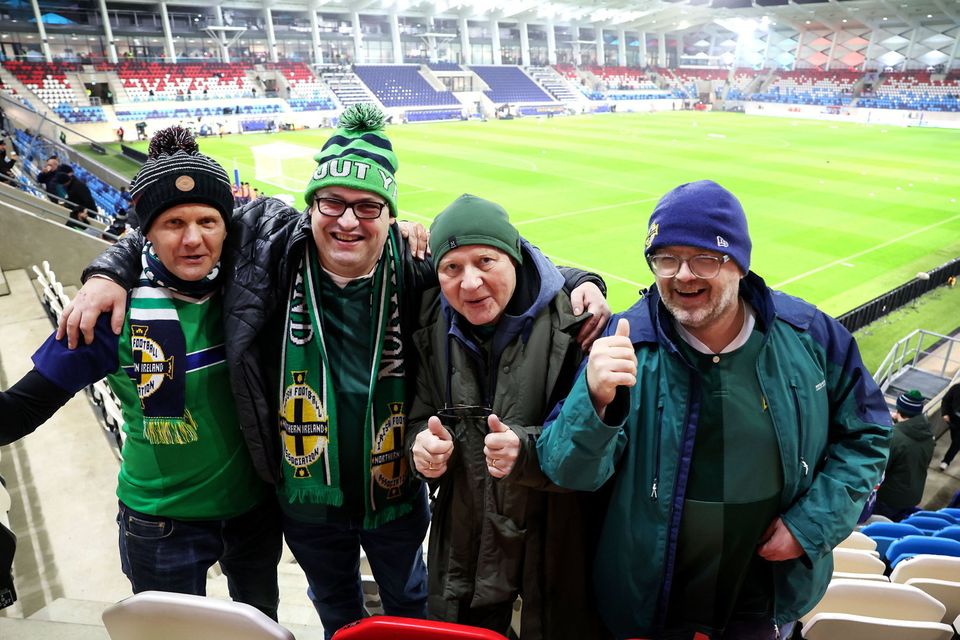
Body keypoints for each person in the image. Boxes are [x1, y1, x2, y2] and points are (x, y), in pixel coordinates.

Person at [58, 104, 611, 638]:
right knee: (336, 613)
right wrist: (108, 270)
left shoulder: (417, 266)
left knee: (412, 605)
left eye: (368, 206)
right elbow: (175, 220)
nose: (348, 220)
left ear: (390, 214)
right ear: (311, 206)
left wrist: (581, 278)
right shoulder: (269, 250)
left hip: (394, 493)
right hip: (305, 500)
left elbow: (492, 254)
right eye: (332, 203)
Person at [537, 180, 891, 640]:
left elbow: (868, 435)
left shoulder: (810, 335)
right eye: (667, 258)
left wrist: (809, 526)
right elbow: (567, 471)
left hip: (763, 595)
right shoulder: (625, 345)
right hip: (649, 598)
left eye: (706, 257)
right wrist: (594, 400)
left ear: (740, 264)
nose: (683, 274)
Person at [0, 126, 282, 619]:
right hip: (160, 527)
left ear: (227, 226)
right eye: (173, 222)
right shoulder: (108, 313)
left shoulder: (249, 290)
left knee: (261, 630)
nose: (193, 239)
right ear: (145, 232)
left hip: (253, 515)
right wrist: (109, 273)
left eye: (207, 221)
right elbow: (17, 411)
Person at [406, 195, 606, 639]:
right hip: (462, 551)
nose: (470, 283)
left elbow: (598, 450)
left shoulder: (576, 322)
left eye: (485, 260)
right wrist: (422, 447)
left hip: (554, 551)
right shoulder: (429, 322)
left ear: (513, 256)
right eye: (451, 268)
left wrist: (527, 451)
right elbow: (418, 417)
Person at [874, 390, 934, 521]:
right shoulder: (929, 434)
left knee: (879, 528)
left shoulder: (895, 436)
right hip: (913, 496)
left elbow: (879, 470)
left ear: (899, 410)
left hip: (889, 499)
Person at [56, 164, 98, 231]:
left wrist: (82, 211)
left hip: (86, 213)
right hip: (78, 211)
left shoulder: (78, 186)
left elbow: (87, 200)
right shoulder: (71, 185)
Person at [940, 382, 960, 471]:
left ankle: (946, 461)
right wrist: (945, 413)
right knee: (955, 439)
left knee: (957, 442)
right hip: (953, 420)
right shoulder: (956, 388)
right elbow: (946, 400)